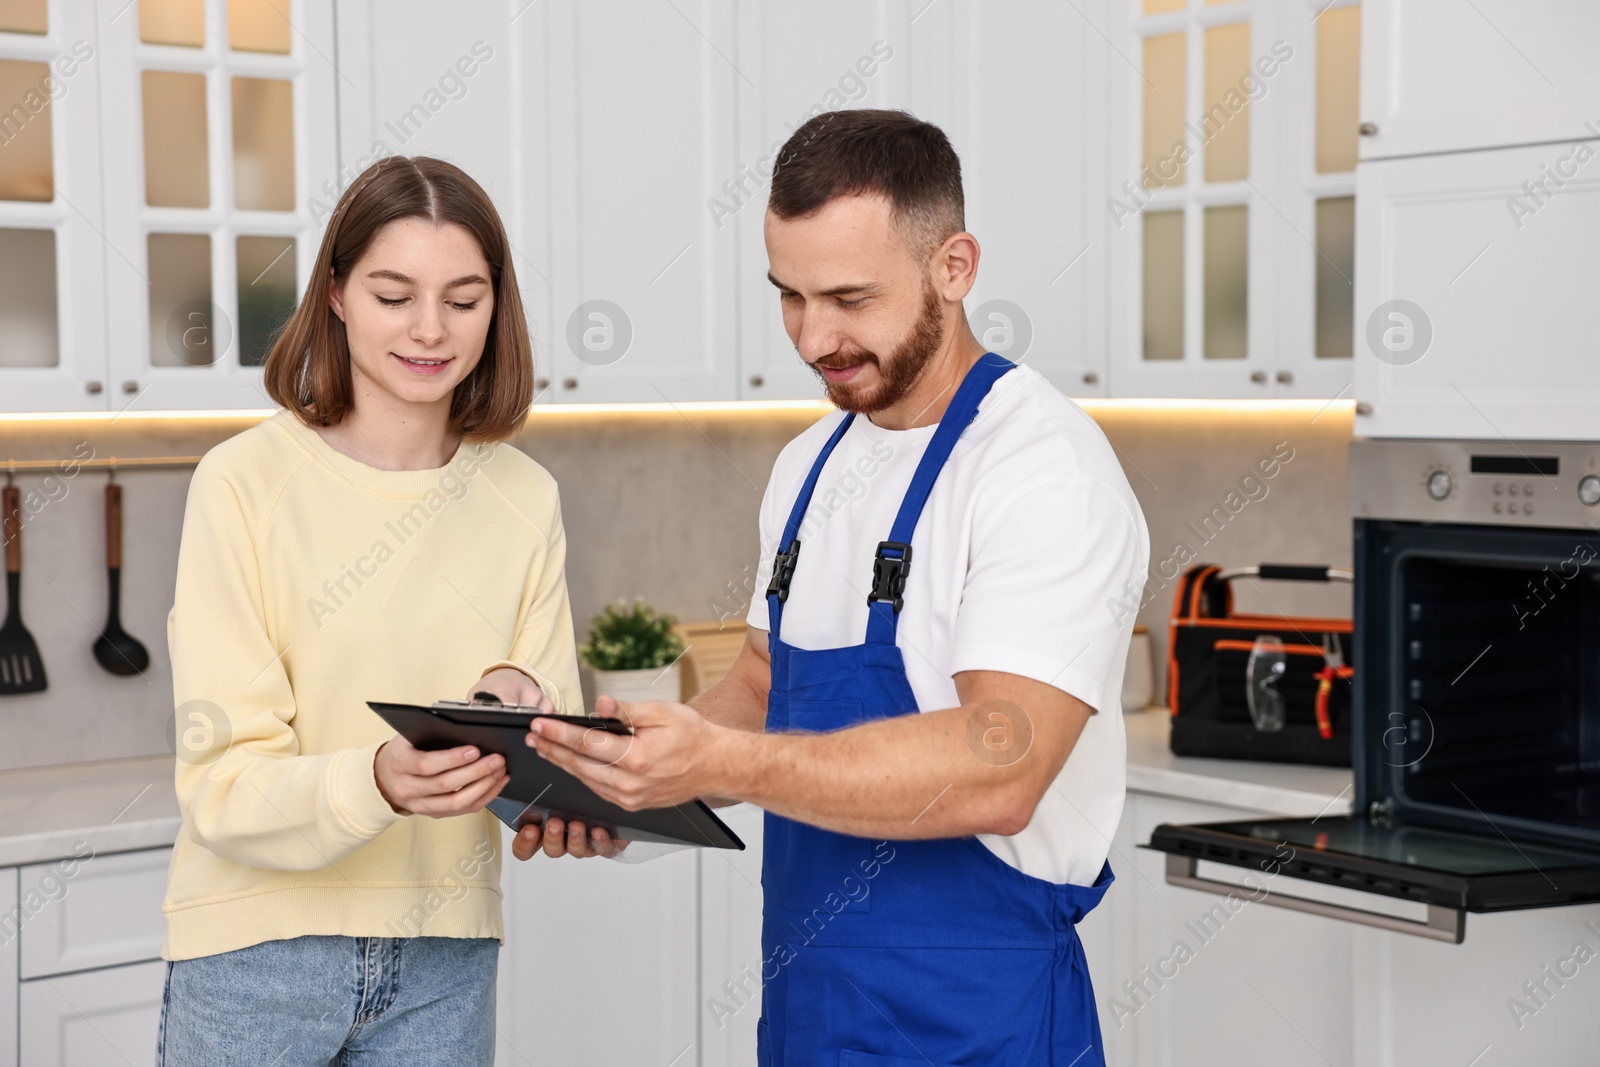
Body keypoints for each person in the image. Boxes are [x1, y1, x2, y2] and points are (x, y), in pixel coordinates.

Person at [528, 110, 1151, 1064]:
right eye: (789, 295)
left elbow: (1003, 765)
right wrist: (626, 786)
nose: (815, 336)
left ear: (955, 266)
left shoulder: (1042, 470)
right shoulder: (810, 464)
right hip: (814, 1013)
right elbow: (762, 689)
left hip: (980, 1023)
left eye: (850, 298)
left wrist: (721, 766)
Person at [158, 156, 598, 1066]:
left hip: (448, 952)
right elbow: (221, 784)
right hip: (255, 953)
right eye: (394, 294)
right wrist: (380, 781)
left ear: (497, 306)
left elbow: (546, 748)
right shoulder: (242, 485)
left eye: (464, 298)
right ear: (336, 294)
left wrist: (537, 729)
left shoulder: (526, 495)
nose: (430, 330)